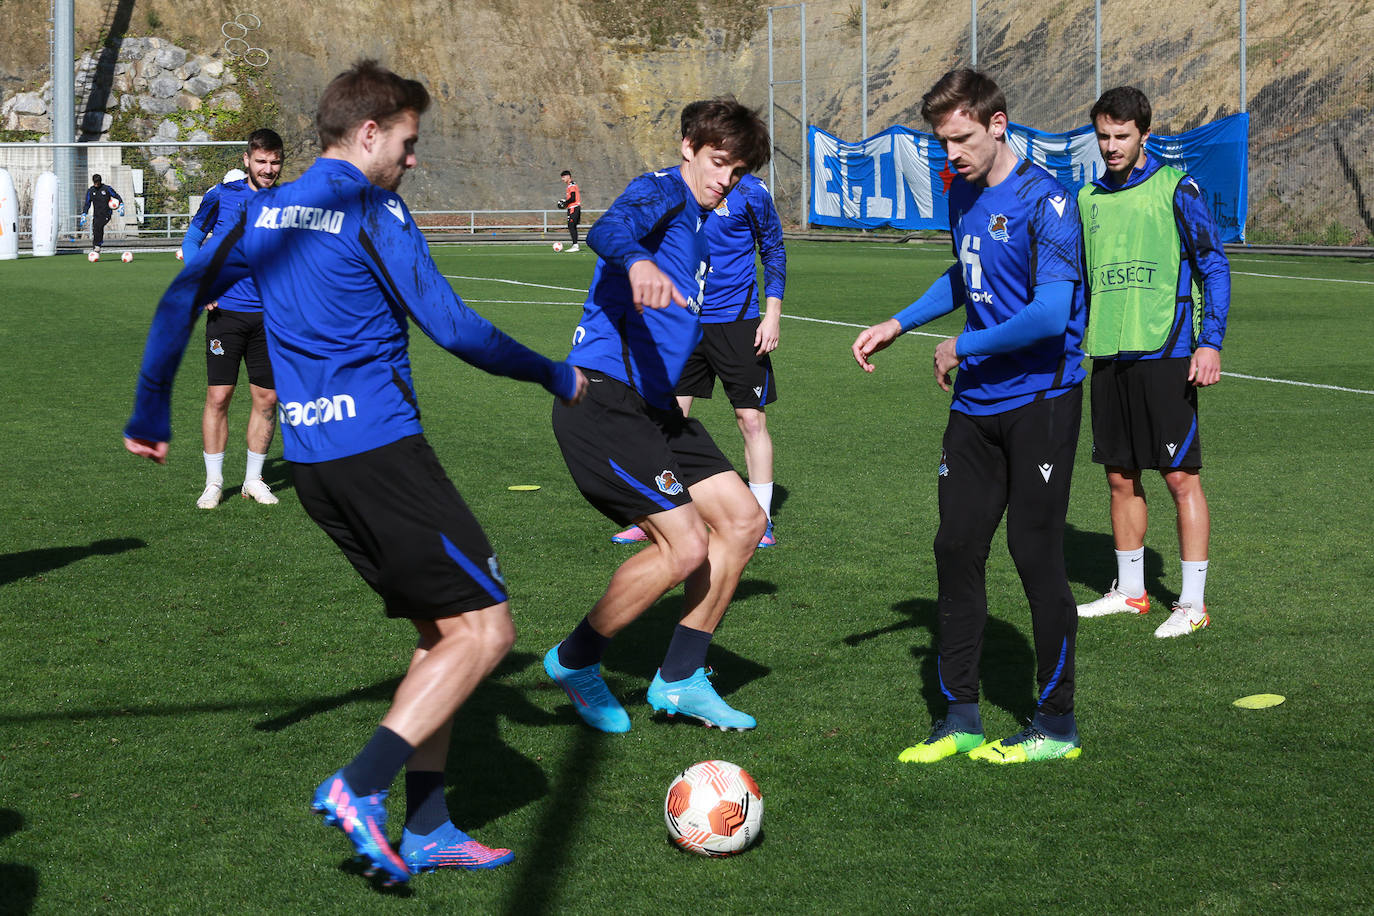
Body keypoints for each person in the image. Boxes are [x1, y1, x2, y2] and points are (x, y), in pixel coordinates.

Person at [124, 59, 587, 886]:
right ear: (369, 132)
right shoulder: (371, 207)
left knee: (441, 637)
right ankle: (362, 784)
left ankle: (430, 826)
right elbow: (454, 327)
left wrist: (149, 411)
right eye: (407, 142)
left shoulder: (262, 211)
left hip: (314, 465)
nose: (412, 158)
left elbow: (180, 295)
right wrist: (556, 374)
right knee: (488, 631)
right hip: (379, 452)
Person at [850, 69, 1087, 765]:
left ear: (998, 124)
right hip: (977, 403)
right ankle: (960, 719)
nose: (950, 154)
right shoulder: (961, 192)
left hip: (1042, 399)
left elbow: (1051, 313)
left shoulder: (1049, 200)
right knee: (955, 547)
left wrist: (964, 345)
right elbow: (966, 270)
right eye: (942, 142)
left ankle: (1056, 725)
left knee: (1034, 553)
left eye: (961, 139)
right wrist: (899, 322)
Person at [544, 96, 771, 734]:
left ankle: (680, 679)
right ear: (688, 148)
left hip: (653, 408)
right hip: (601, 398)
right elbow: (608, 228)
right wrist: (638, 260)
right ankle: (575, 659)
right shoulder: (662, 191)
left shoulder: (698, 228)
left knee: (744, 521)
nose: (725, 179)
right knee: (685, 545)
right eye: (718, 162)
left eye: (738, 171)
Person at [1074, 86, 1231, 639]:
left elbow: (1214, 264)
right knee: (1120, 476)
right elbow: (1081, 282)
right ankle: (1132, 592)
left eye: (1122, 136)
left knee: (1180, 477)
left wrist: (1210, 342)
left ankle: (1192, 604)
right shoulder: (1087, 198)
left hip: (1167, 352)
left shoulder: (1175, 187)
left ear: (1144, 134)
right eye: (1103, 136)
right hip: (1107, 353)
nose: (1111, 146)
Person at [612, 167, 786, 549]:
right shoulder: (673, 186)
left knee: (751, 419)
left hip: (738, 321)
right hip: (682, 320)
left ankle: (761, 520)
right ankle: (657, 513)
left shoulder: (752, 192)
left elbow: (773, 249)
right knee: (667, 419)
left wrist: (772, 314)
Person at [179, 129, 286, 509]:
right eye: (261, 161)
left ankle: (253, 480)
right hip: (225, 313)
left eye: (274, 162)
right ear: (247, 160)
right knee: (219, 396)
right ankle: (214, 482)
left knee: (267, 398)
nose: (268, 169)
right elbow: (191, 241)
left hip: (270, 319)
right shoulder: (222, 195)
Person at [80, 173, 122, 254]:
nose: (96, 184)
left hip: (106, 214)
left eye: (97, 182)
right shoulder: (90, 191)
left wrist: (121, 204)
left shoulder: (107, 188)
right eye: (95, 182)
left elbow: (116, 196)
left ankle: (97, 245)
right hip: (96, 215)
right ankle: (95, 247)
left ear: (100, 181)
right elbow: (87, 204)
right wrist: (84, 214)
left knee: (99, 226)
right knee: (95, 228)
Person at [557, 169, 581, 252]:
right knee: (572, 226)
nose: (562, 179)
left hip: (573, 208)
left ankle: (575, 245)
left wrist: (565, 203)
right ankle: (575, 245)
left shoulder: (571, 185)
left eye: (563, 177)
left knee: (571, 226)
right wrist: (566, 203)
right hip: (573, 208)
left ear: (568, 176)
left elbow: (573, 198)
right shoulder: (570, 185)